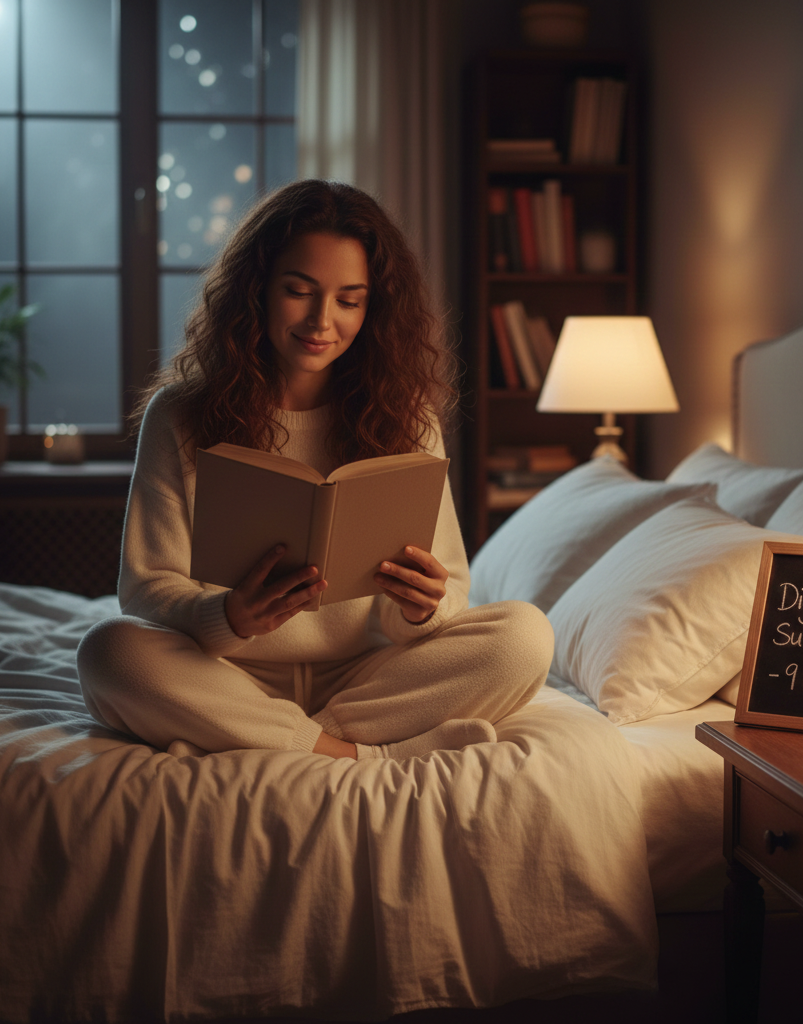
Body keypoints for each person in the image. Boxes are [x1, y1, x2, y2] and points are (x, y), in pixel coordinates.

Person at [77, 179, 553, 761]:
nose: (322, 320)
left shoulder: (407, 418)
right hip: (229, 672)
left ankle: (288, 738)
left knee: (526, 637)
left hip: (369, 676)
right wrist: (227, 615)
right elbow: (147, 587)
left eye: (349, 300)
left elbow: (450, 587)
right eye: (299, 291)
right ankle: (350, 752)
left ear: (373, 308)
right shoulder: (180, 414)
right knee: (110, 653)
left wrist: (425, 606)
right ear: (256, 290)